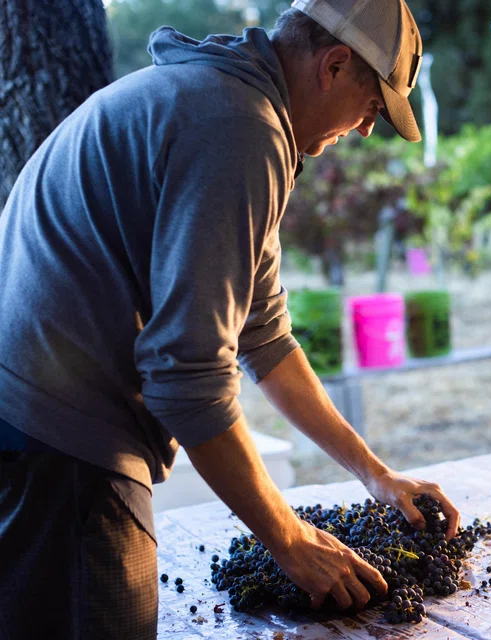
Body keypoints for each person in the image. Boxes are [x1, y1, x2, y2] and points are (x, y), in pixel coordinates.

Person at [0, 1, 458, 638]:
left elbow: (263, 332)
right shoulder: (239, 130)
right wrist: (288, 537)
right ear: (334, 65)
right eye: (372, 108)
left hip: (35, 422)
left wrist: (374, 475)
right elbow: (187, 380)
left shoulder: (225, 101)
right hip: (58, 445)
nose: (363, 130)